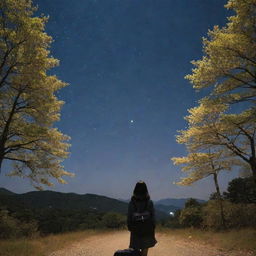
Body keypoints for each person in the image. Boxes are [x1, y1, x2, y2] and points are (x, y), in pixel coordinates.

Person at [127, 181, 157, 256]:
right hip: (147, 229)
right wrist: (153, 227)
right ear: (146, 189)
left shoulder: (132, 202)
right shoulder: (149, 202)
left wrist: (130, 227)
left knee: (135, 251)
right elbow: (153, 217)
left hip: (135, 229)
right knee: (145, 250)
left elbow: (129, 216)